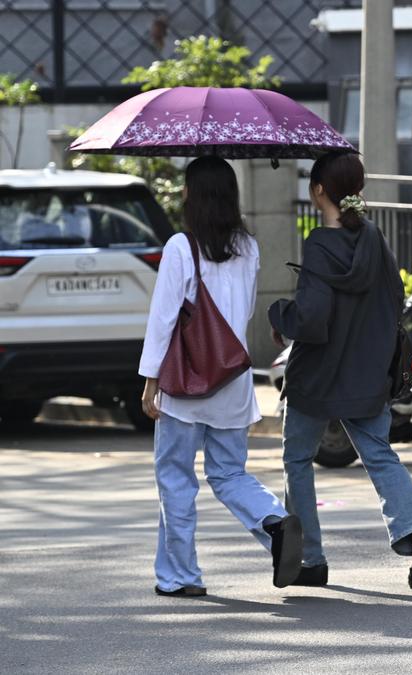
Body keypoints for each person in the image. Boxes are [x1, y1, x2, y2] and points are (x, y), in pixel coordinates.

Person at [271, 152, 412, 591]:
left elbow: (311, 319)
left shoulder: (318, 244)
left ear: (318, 191)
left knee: (297, 460)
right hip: (368, 373)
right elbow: (396, 299)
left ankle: (311, 558)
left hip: (318, 375)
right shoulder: (374, 239)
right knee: (379, 454)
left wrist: (280, 317)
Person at [139, 156, 301, 597]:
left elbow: (164, 319)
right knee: (229, 473)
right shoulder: (248, 247)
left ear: (192, 195)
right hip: (232, 379)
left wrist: (151, 378)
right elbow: (243, 313)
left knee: (175, 477)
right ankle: (274, 522)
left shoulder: (180, 247)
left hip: (185, 383)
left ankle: (180, 576)